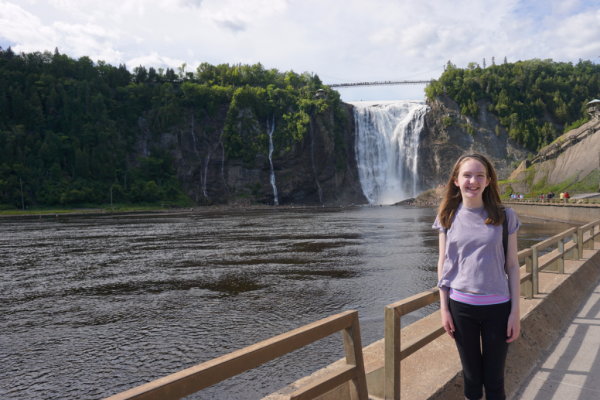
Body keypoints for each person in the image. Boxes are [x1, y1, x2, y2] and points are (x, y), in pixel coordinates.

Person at [433, 153, 521, 400]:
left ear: (489, 180)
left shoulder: (505, 216)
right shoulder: (446, 216)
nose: (473, 181)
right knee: (471, 378)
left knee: (494, 381)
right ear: (456, 181)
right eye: (467, 175)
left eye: (480, 175)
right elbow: (442, 263)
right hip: (461, 308)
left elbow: (513, 265)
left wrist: (515, 311)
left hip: (498, 309)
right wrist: (444, 308)